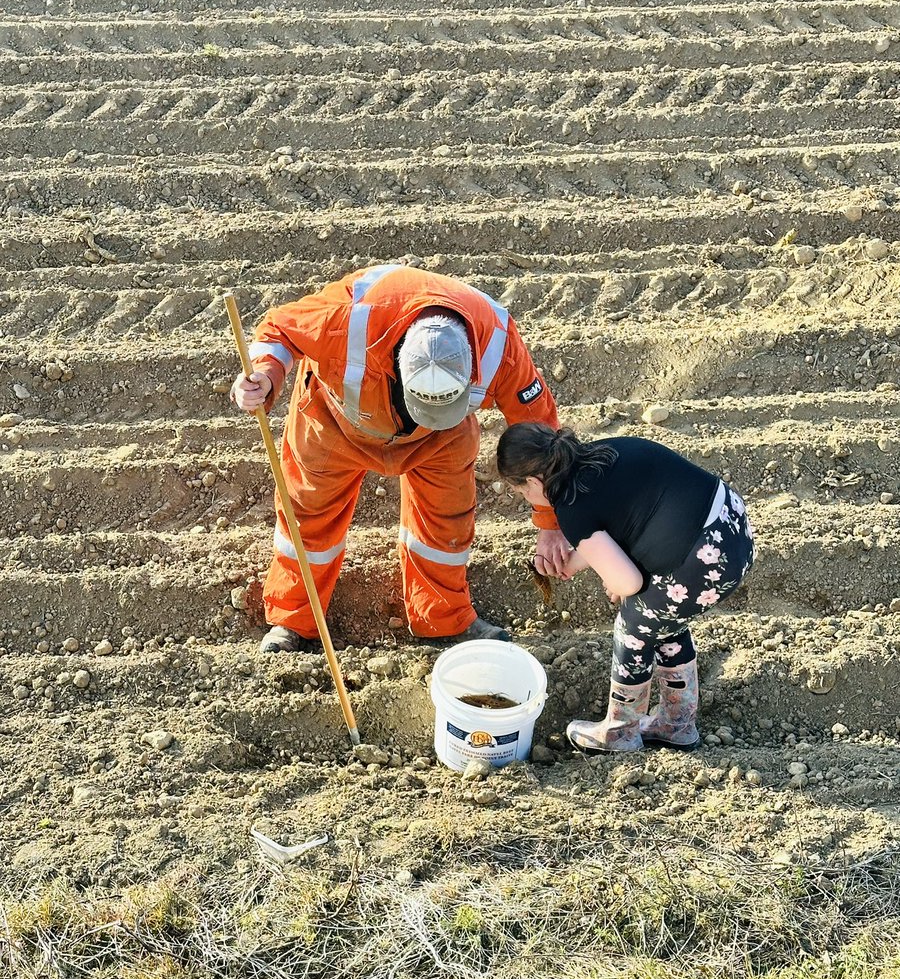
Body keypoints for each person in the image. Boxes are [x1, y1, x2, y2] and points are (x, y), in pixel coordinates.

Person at [231, 264, 569, 652]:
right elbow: (279, 329)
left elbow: (541, 431)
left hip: (442, 438)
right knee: (308, 517)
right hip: (335, 420)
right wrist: (266, 375)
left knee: (446, 523)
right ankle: (293, 621)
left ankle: (442, 619)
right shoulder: (347, 316)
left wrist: (551, 523)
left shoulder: (497, 341)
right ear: (396, 364)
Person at [496, 423, 755, 751]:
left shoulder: (571, 504)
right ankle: (676, 725)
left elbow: (627, 582)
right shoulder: (603, 453)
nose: (527, 498)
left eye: (522, 493)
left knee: (634, 626)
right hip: (731, 526)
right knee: (661, 618)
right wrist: (579, 561)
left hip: (703, 559)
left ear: (533, 482)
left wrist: (613, 578)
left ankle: (620, 732)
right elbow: (634, 521)